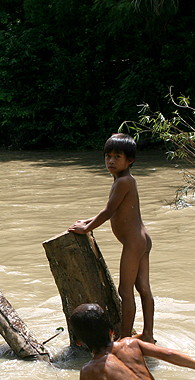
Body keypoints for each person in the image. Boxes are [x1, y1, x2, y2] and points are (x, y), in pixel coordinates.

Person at [69, 133, 154, 342]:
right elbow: (113, 210)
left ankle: (125, 338)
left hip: (134, 243)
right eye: (108, 156)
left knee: (125, 290)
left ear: (130, 160)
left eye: (117, 156)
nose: (111, 161)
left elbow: (107, 212)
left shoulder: (124, 181)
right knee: (143, 288)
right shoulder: (123, 180)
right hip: (141, 239)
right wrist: (87, 222)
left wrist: (86, 228)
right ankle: (148, 335)